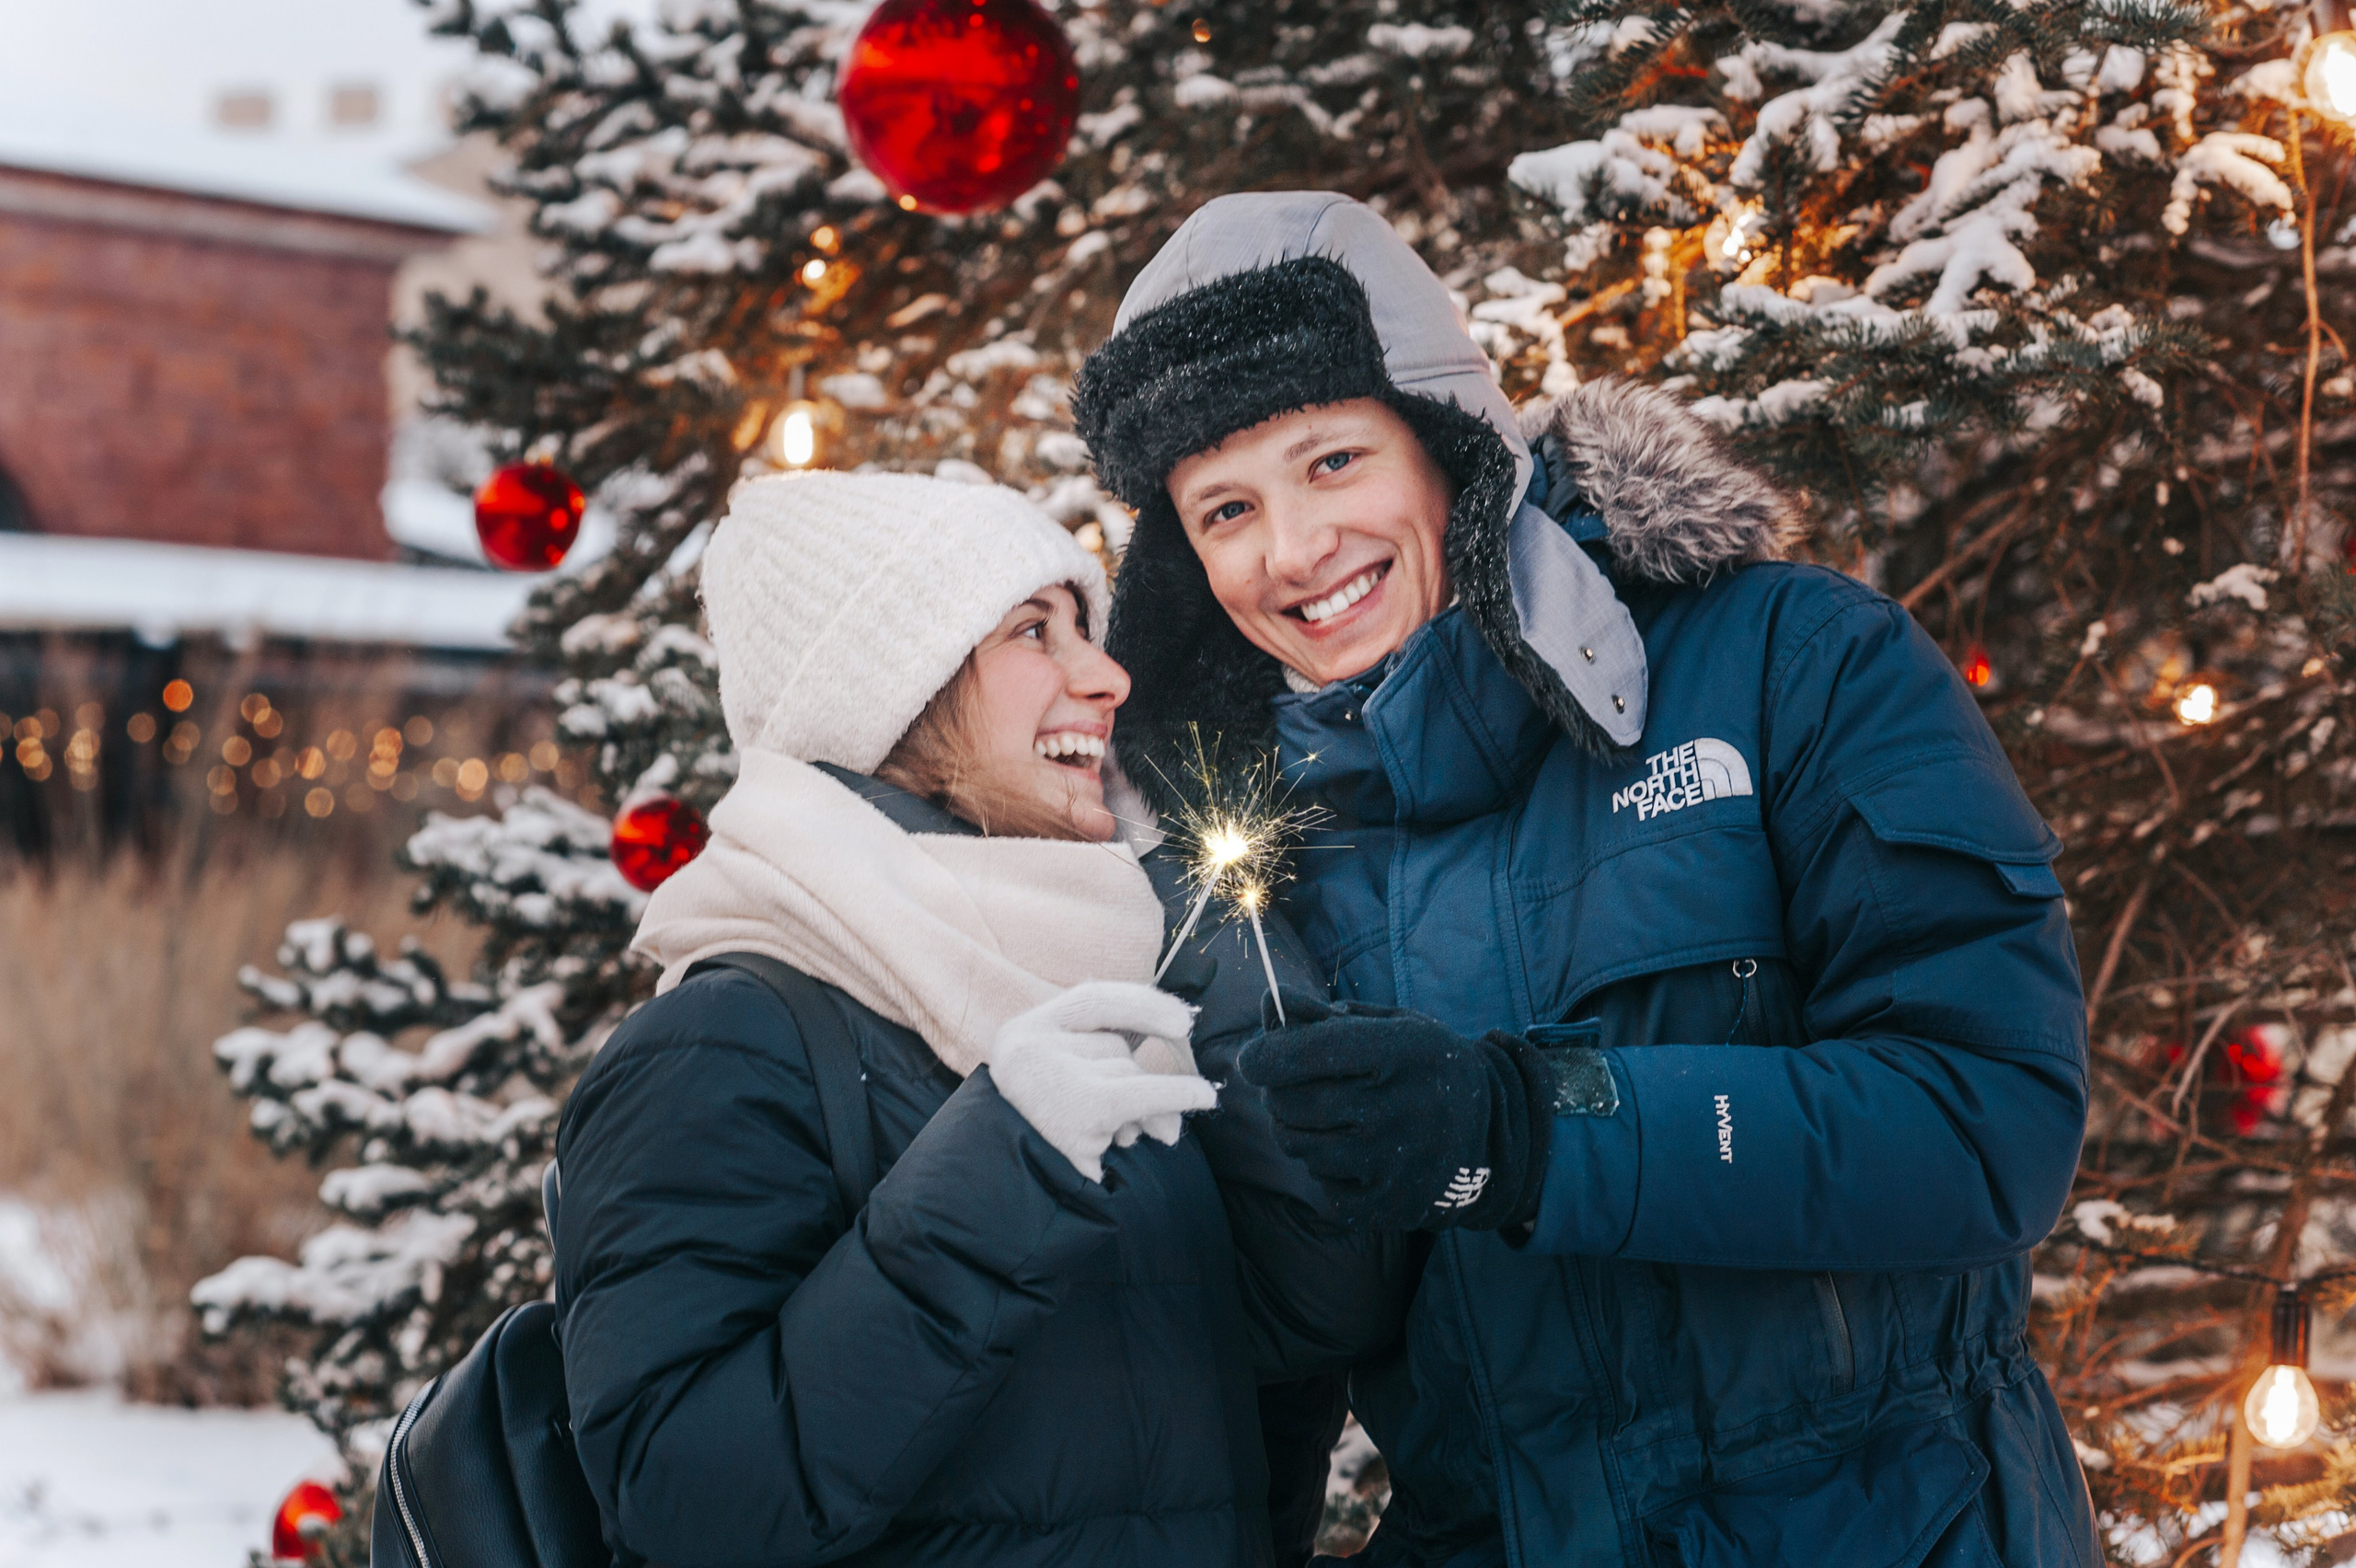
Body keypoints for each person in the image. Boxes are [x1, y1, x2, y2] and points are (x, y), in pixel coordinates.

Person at [1072, 192, 2097, 1568]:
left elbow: (1992, 1122)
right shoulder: (1234, 876)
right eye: (1227, 509)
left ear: (1446, 444)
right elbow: (1274, 1359)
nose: (1293, 551)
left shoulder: (1793, 663)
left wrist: (1534, 1128)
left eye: (1332, 463)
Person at [551, 469, 1286, 1566]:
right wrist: (1002, 1172)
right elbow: (684, 1498)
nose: (1105, 672)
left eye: (1083, 623)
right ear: (892, 688)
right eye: (1034, 630)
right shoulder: (722, 1038)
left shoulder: (1101, 978)